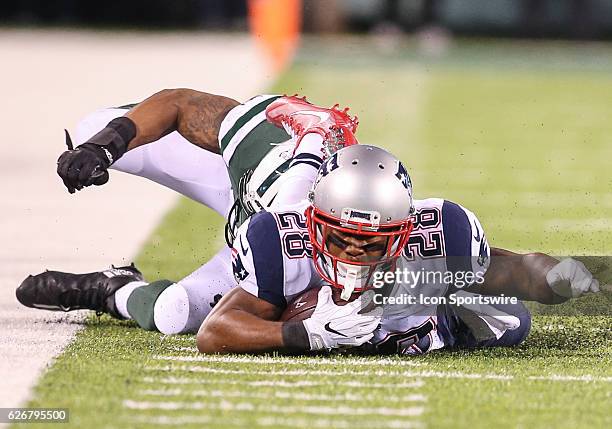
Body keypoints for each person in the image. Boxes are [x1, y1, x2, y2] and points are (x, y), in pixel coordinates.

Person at [16, 90, 600, 354]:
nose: (352, 251)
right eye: (342, 235)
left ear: (402, 227)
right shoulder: (275, 197)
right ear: (315, 214)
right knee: (94, 119)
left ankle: (120, 291)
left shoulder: (433, 232)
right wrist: (105, 146)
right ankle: (115, 285)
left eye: (371, 240)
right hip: (240, 191)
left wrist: (585, 277)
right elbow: (174, 103)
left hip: (294, 234)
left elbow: (528, 273)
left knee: (507, 319)